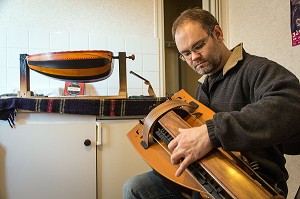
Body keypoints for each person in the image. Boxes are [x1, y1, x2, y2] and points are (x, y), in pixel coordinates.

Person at [123, 7, 300, 199]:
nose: (194, 57)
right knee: (135, 188)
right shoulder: (203, 88)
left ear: (218, 34)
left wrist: (213, 132)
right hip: (202, 177)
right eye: (186, 54)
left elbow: (291, 103)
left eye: (198, 46)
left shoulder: (255, 69)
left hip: (250, 183)